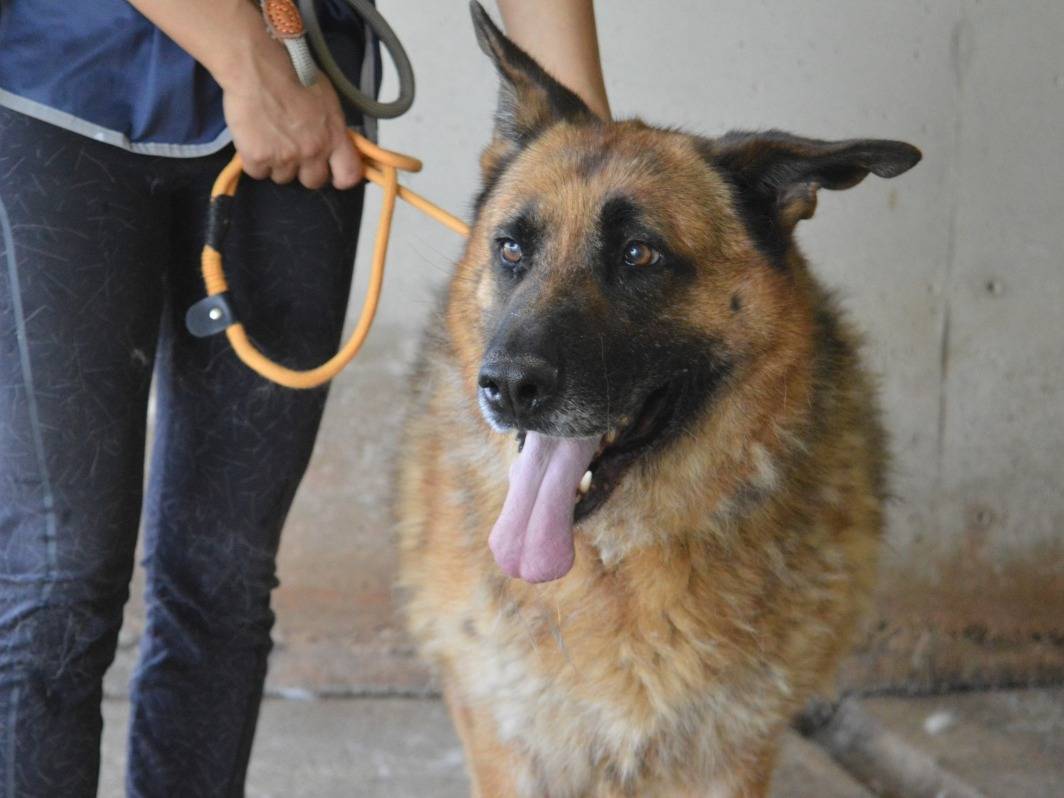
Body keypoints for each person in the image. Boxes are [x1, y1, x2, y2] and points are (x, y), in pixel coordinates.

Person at [0, 0, 609, 795]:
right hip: (60, 80)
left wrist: (585, 153)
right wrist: (247, 61)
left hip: (307, 89)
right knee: (58, 580)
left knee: (223, 574)